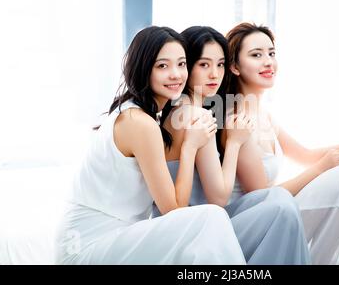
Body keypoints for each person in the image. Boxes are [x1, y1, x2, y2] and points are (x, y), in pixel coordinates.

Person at [54, 26, 247, 264]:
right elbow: (173, 210)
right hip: (86, 246)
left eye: (182, 64)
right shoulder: (139, 122)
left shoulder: (145, 115)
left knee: (208, 228)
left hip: (112, 235)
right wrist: (189, 148)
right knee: (210, 218)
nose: (176, 74)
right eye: (162, 66)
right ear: (143, 69)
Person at [220, 22, 339, 264]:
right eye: (256, 55)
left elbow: (304, 154)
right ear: (235, 67)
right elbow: (265, 200)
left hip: (278, 212)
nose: (268, 61)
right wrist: (323, 167)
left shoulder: (264, 115)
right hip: (259, 226)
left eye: (271, 53)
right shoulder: (237, 121)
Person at [153, 26, 310, 264]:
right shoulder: (196, 116)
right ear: (187, 66)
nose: (215, 74)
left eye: (220, 64)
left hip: (187, 222)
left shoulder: (177, 109)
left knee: (280, 201)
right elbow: (218, 197)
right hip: (196, 230)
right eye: (204, 65)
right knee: (282, 209)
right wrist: (235, 143)